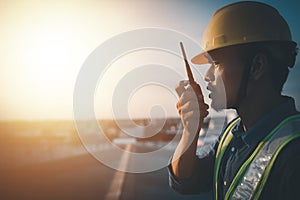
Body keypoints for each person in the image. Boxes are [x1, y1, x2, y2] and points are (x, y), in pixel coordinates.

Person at [169, 1, 300, 200]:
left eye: (216, 63)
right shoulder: (233, 133)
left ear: (256, 66)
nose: (206, 76)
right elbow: (186, 181)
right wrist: (190, 130)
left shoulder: (293, 156)